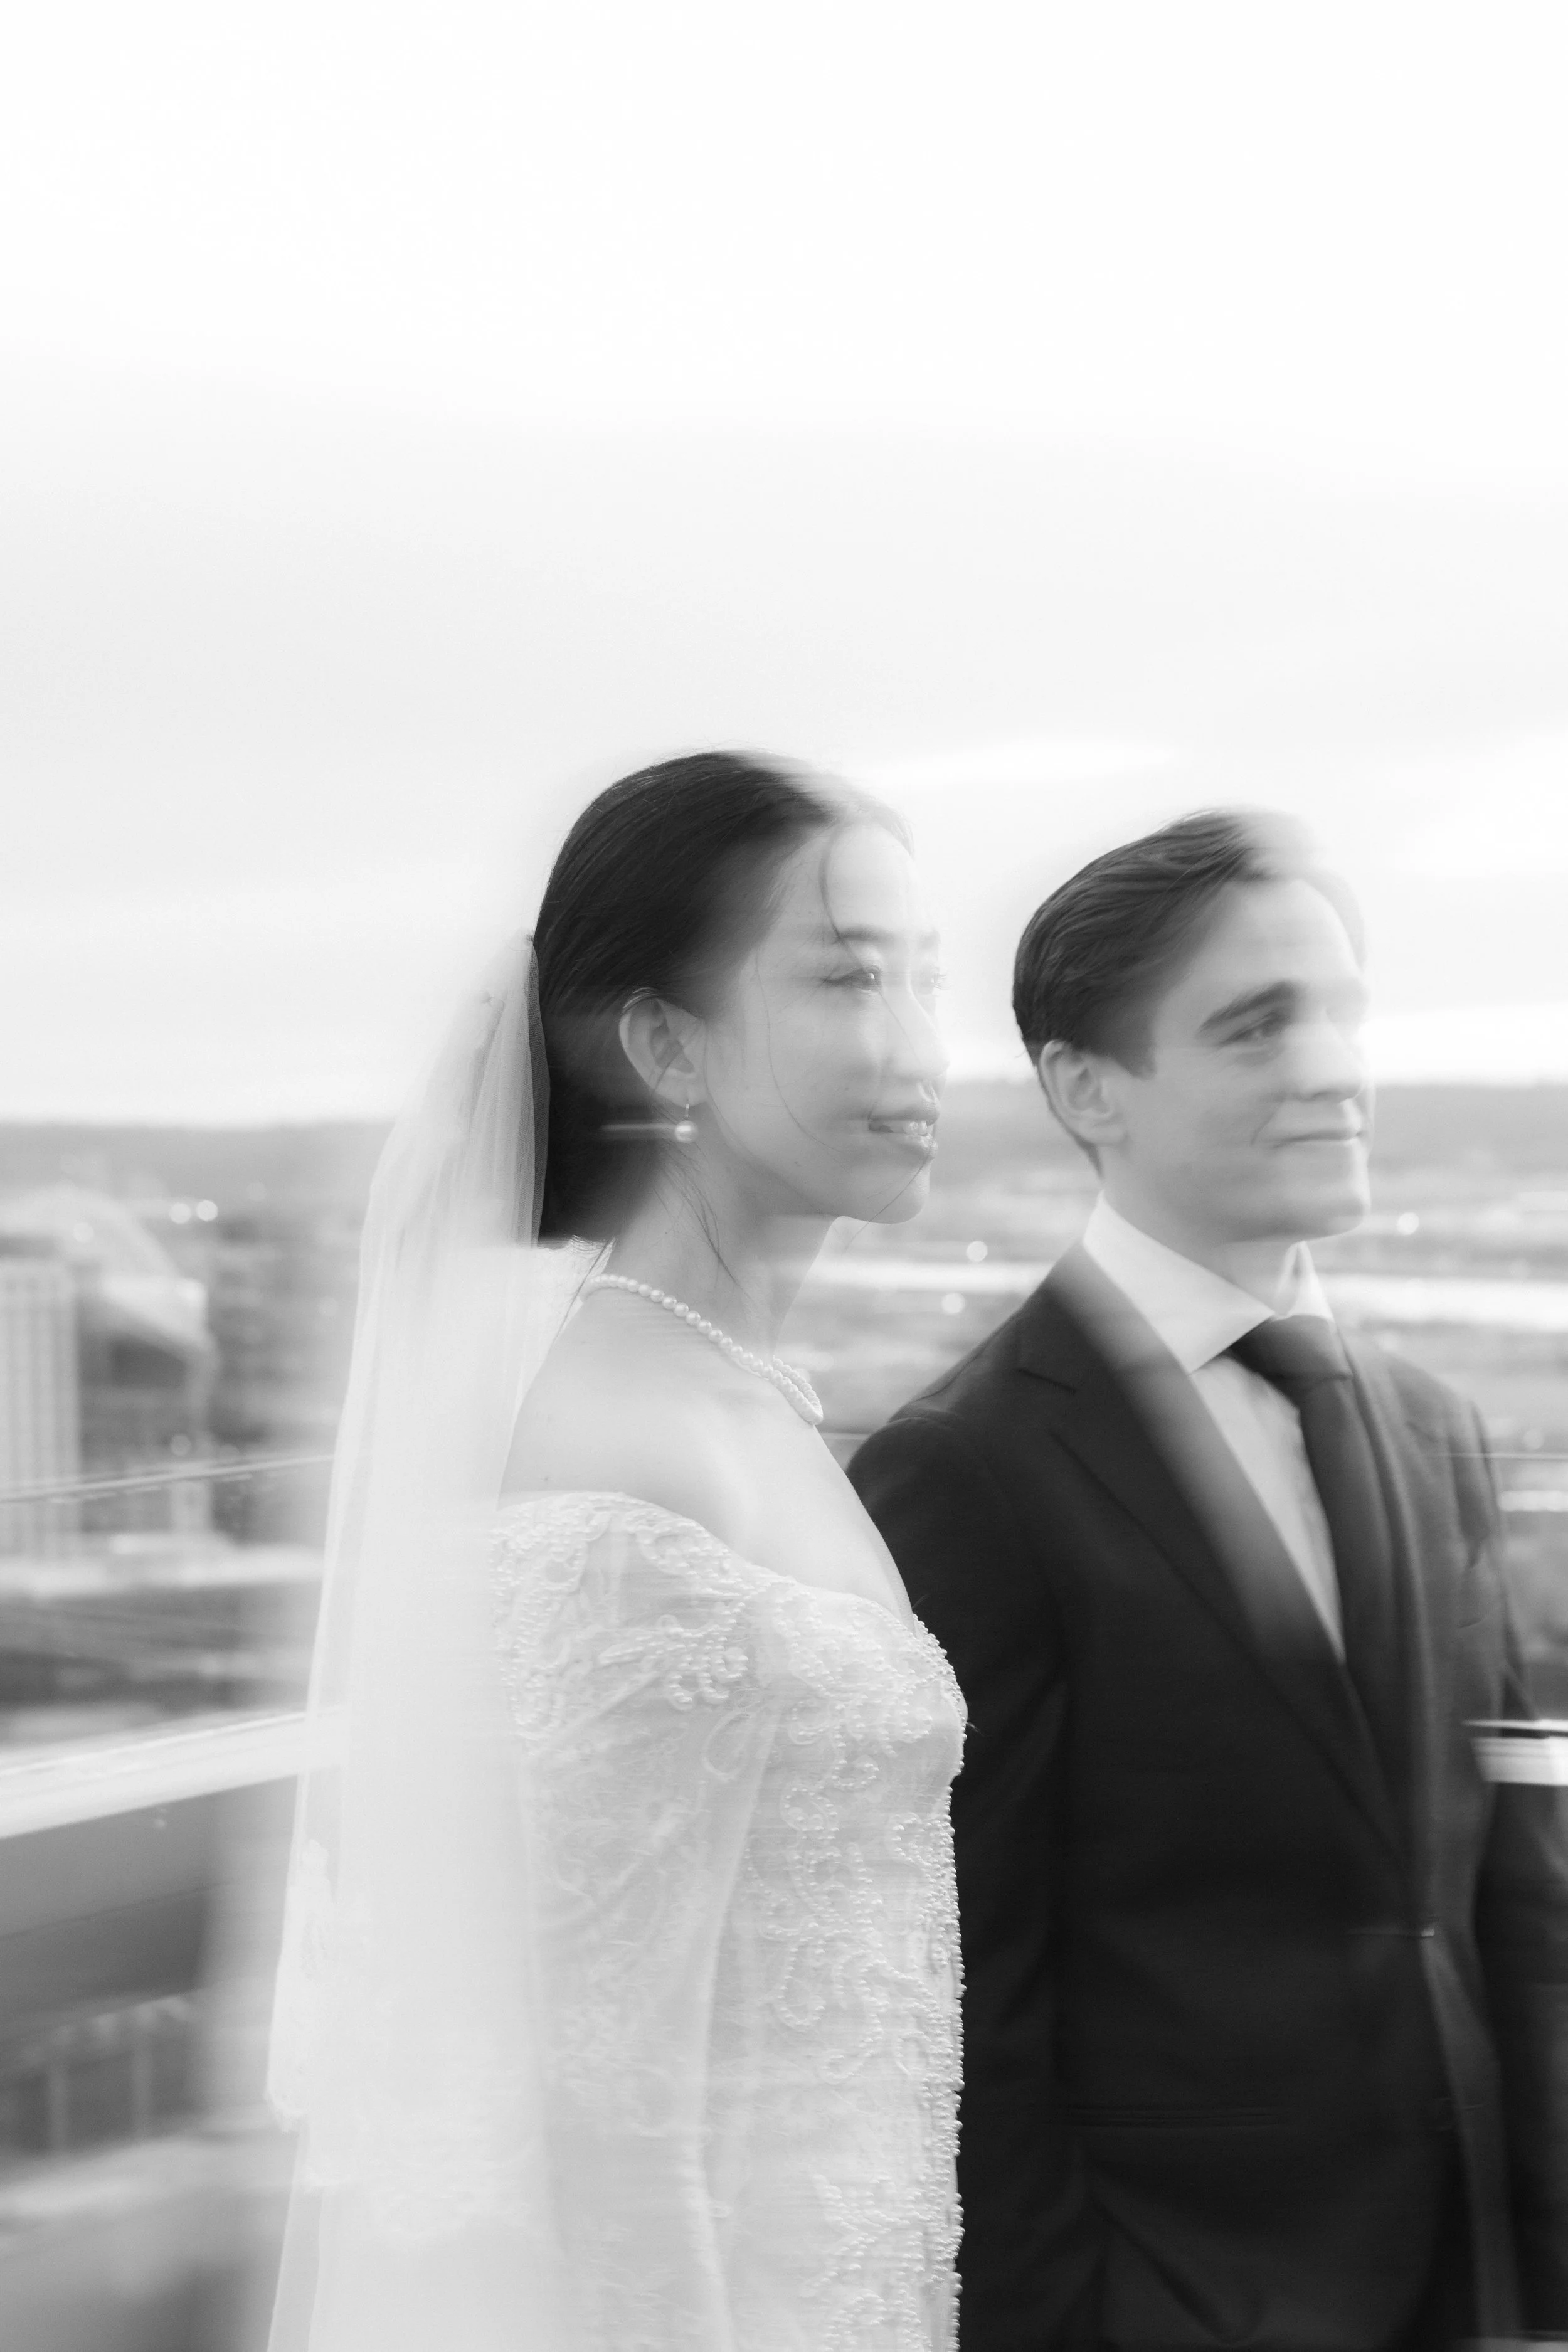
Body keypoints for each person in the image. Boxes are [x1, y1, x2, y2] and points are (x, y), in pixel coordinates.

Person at [265, 751, 962, 2351]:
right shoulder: (615, 1457)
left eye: (925, 981)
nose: (918, 1046)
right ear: (665, 1040)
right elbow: (595, 2132)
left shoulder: (747, 1401)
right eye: (849, 979)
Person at [850, 810, 1568, 2352]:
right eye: (1255, 1027)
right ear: (1085, 1089)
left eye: (1339, 1013)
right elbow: (968, 1999)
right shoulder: (961, 1473)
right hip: (1168, 2305)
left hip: (1467, 2296)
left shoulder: (1431, 1429)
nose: (1332, 1071)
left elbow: (1505, 1891)